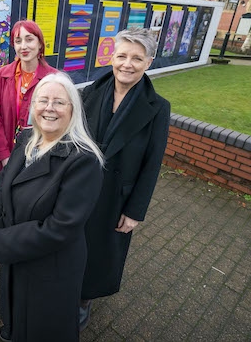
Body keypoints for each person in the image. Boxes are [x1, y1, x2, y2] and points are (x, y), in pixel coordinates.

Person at [0, 72, 104, 342]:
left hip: (51, 266)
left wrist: (1, 242)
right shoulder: (26, 139)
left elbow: (61, 228)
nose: (49, 108)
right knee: (15, 315)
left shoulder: (83, 160)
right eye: (43, 100)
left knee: (42, 327)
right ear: (33, 106)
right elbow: (3, 185)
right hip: (18, 252)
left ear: (73, 110)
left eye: (59, 102)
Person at [79, 28, 171, 329]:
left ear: (149, 62)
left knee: (100, 251)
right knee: (72, 242)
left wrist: (135, 211)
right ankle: (65, 287)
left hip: (116, 196)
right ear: (112, 56)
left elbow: (152, 162)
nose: (127, 64)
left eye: (137, 58)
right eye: (122, 56)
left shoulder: (158, 107)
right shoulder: (89, 92)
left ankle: (83, 299)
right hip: (80, 189)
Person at [0, 20, 58, 173]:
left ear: (40, 44)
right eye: (18, 41)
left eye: (29, 39)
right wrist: (4, 155)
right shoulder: (2, 76)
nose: (24, 46)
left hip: (40, 157)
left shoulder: (54, 79)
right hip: (7, 157)